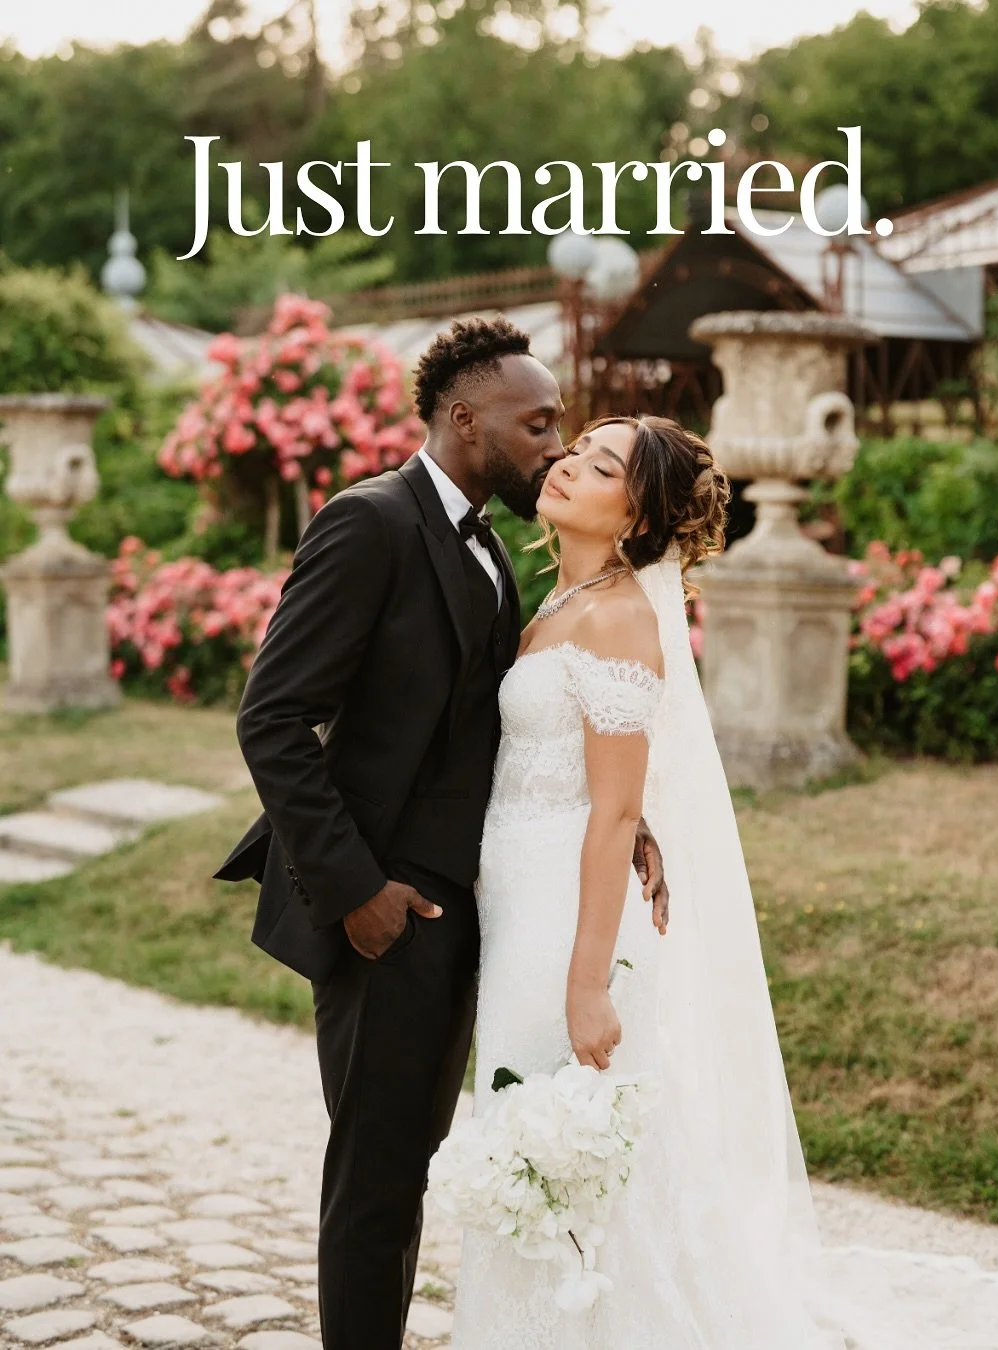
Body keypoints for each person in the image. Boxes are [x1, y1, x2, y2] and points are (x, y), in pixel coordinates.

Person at [211, 319, 667, 1350]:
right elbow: (272, 717)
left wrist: (628, 822)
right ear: (465, 419)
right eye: (537, 424)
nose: (555, 445)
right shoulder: (369, 522)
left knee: (411, 1161)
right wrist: (355, 891)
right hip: (383, 909)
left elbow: (491, 731)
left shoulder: (496, 546)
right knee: (374, 1179)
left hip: (471, 911)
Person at [451, 415, 845, 1349]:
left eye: (599, 466)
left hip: (565, 918)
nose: (565, 465)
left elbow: (614, 812)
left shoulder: (621, 616)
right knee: (529, 1133)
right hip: (516, 898)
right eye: (575, 450)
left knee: (557, 1136)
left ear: (634, 517)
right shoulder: (559, 597)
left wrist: (587, 983)